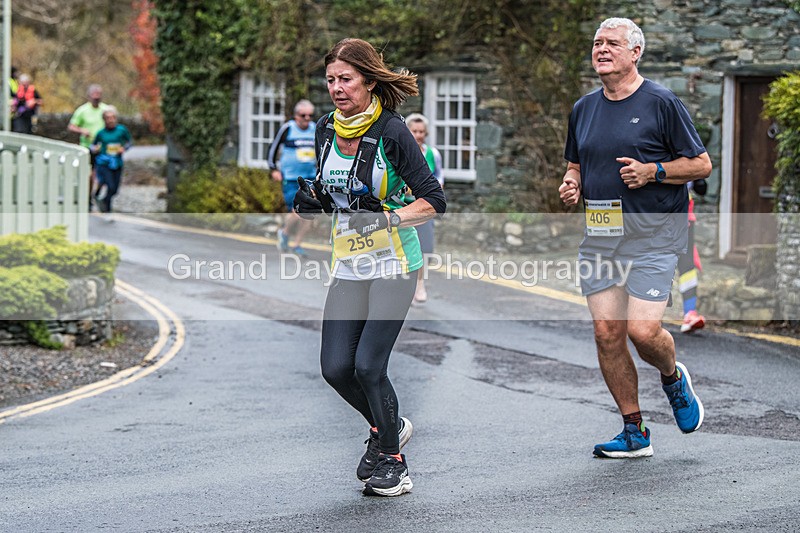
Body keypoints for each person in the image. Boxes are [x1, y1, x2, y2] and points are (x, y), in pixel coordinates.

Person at [293, 38, 446, 496]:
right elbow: (329, 192)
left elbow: (433, 200)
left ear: (368, 80)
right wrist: (311, 202)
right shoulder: (325, 129)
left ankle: (393, 461)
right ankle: (389, 427)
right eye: (331, 80)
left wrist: (389, 217)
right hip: (348, 262)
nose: (337, 89)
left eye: (346, 80)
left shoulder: (392, 131)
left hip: (396, 261)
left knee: (368, 366)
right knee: (335, 367)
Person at [559, 18, 712, 459]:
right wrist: (572, 183)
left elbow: (700, 164)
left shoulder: (662, 102)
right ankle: (634, 430)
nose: (601, 49)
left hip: (654, 237)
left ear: (635, 52)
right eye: (596, 42)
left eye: (611, 43)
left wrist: (655, 172)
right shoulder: (583, 107)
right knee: (608, 332)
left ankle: (672, 378)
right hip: (601, 237)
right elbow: (576, 164)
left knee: (643, 332)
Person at [267, 99, 317, 256]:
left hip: (310, 177)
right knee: (297, 209)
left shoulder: (315, 129)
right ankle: (285, 232)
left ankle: (297, 244)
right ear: (296, 116)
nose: (307, 118)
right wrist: (273, 169)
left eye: (310, 115)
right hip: (291, 177)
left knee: (310, 213)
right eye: (303, 115)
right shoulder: (288, 128)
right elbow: (273, 148)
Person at [405, 113, 443, 304]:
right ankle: (405, 287)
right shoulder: (399, 152)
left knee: (425, 248)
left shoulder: (433, 154)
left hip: (423, 207)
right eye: (414, 131)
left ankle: (419, 284)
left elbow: (439, 178)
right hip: (402, 206)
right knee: (403, 249)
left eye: (421, 132)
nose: (418, 135)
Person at [68, 84, 109, 207]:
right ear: (89, 96)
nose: (96, 98)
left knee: (105, 173)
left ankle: (97, 193)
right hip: (87, 147)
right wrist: (82, 131)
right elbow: (71, 126)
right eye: (94, 95)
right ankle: (88, 198)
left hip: (103, 147)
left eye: (98, 95)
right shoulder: (82, 110)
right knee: (90, 175)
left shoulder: (106, 110)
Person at [678, 179, 707, 333]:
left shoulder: (689, 154)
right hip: (654, 214)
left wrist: (698, 180)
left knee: (687, 265)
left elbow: (701, 188)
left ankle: (690, 313)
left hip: (684, 217)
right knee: (653, 263)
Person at [90, 106, 132, 214]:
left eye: (113, 117)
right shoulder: (101, 133)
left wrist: (124, 148)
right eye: (108, 118)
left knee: (115, 190)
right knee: (110, 185)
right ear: (104, 119)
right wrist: (95, 149)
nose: (111, 120)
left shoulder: (121, 130)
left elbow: (129, 142)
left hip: (117, 162)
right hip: (104, 163)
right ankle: (107, 209)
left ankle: (103, 200)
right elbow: (93, 145)